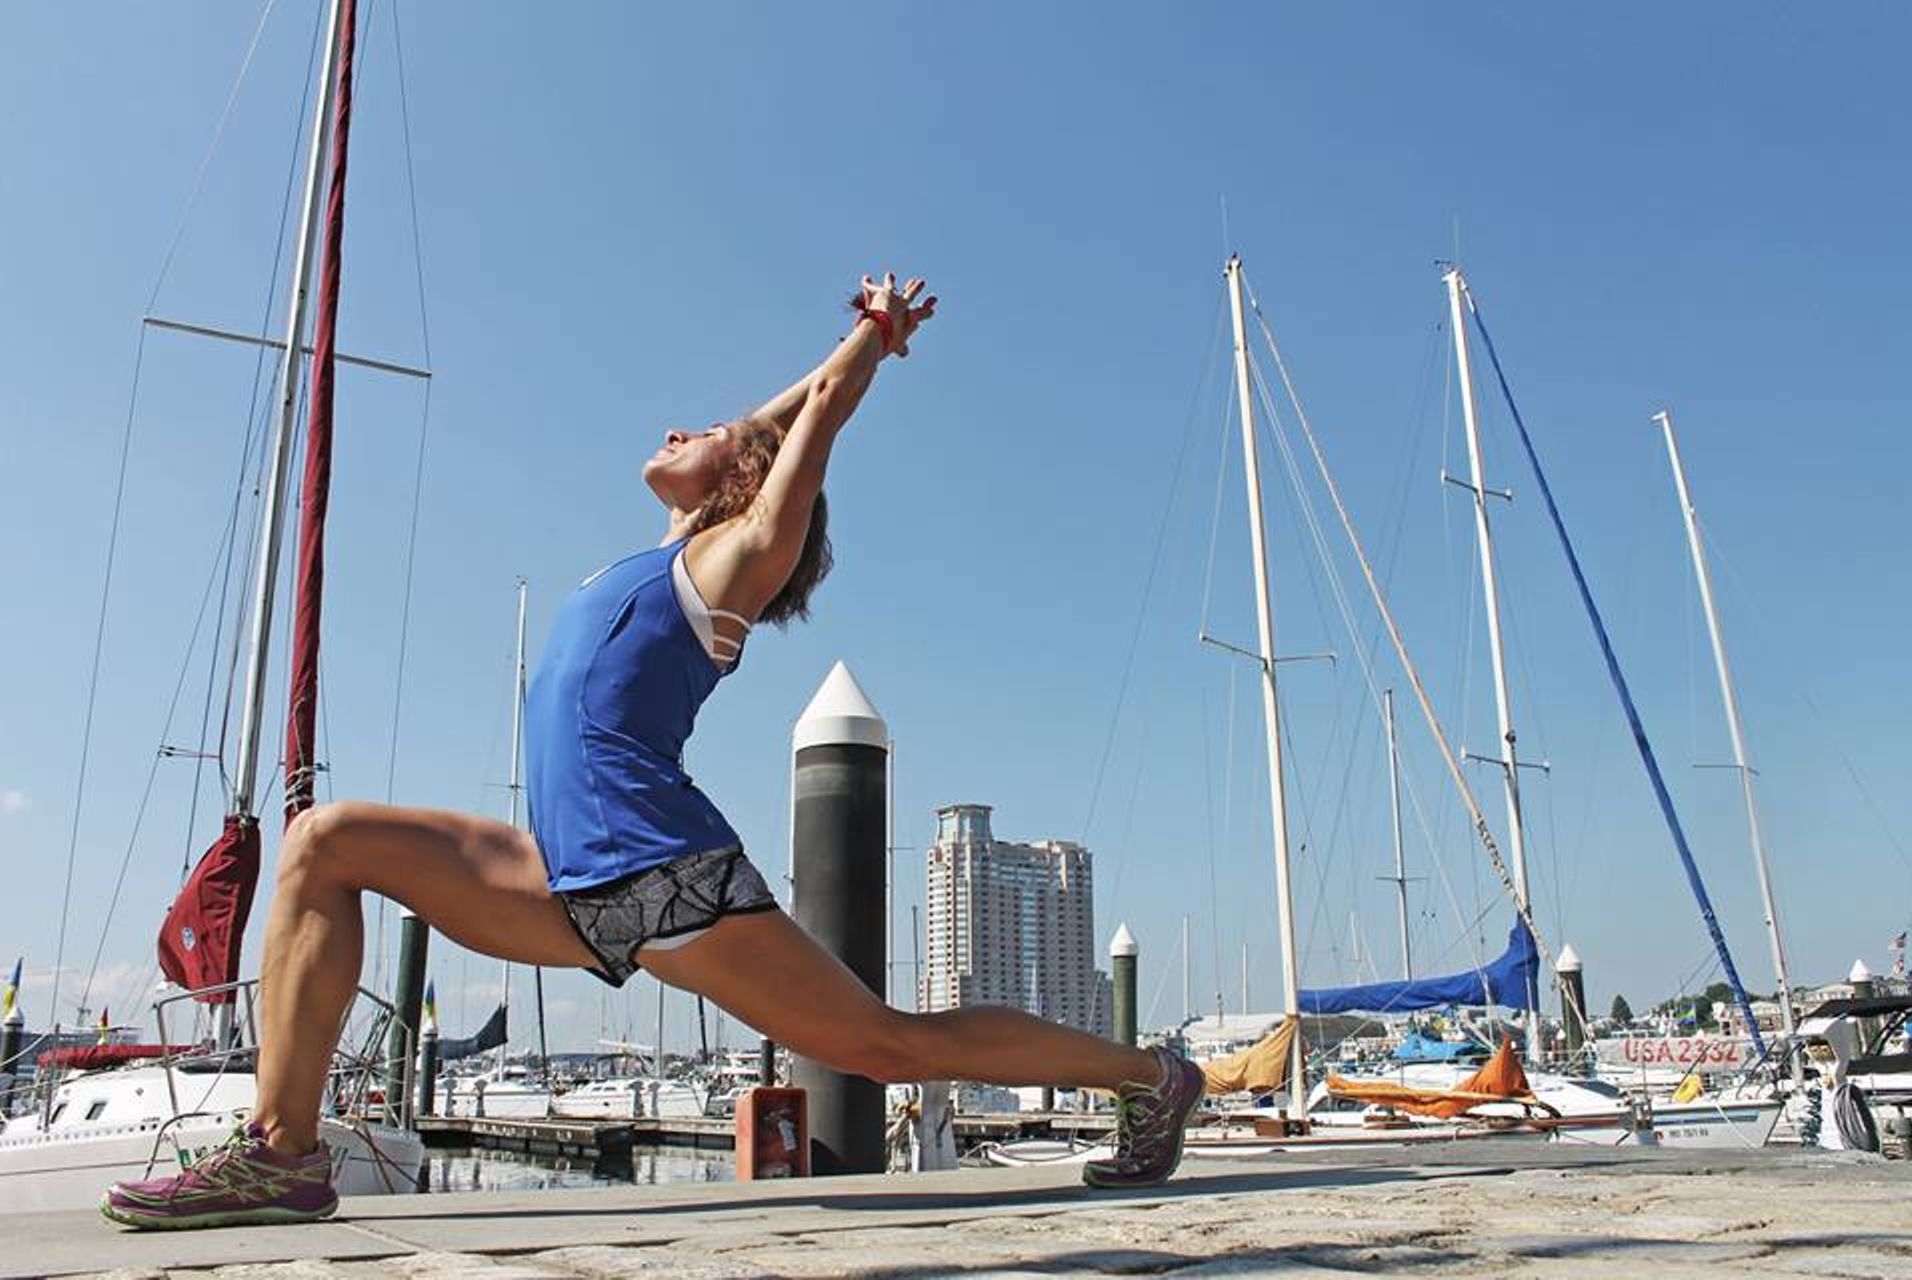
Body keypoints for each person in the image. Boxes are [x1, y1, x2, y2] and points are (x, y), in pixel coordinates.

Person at [102, 274, 1204, 1230]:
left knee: (887, 1046)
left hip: (663, 872)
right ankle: (283, 1151)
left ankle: (1151, 1075)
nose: (681, 429)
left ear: (740, 488)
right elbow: (767, 421)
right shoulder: (658, 552)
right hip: (563, 875)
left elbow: (805, 419)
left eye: (706, 436)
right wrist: (785, 398)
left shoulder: (732, 564)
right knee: (325, 841)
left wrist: (872, 335)